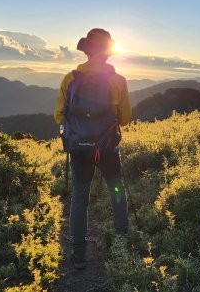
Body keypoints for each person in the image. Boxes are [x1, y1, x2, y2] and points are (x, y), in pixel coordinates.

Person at [54, 28, 132, 269]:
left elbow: (59, 115)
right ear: (108, 53)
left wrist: (82, 128)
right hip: (106, 148)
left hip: (79, 147)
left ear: (87, 51)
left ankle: (79, 254)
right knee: (117, 191)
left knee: (79, 197)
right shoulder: (118, 81)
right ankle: (122, 246)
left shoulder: (71, 78)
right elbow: (126, 118)